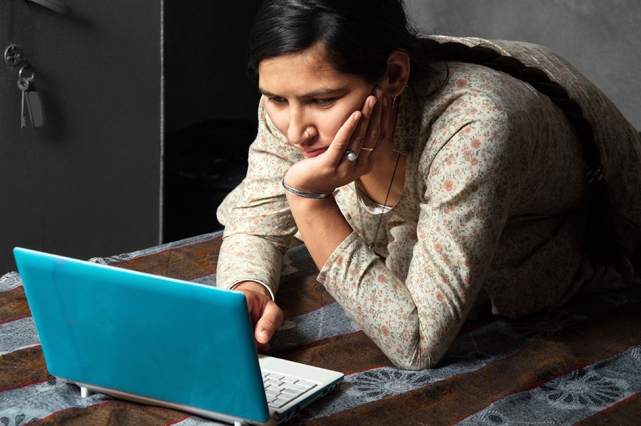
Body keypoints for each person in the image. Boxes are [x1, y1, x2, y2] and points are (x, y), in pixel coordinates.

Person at [215, 0, 641, 369]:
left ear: (395, 75)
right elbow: (255, 213)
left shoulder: (474, 127)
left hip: (589, 227)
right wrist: (248, 288)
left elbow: (416, 344)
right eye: (275, 99)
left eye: (323, 101)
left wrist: (310, 202)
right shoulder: (296, 91)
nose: (294, 132)